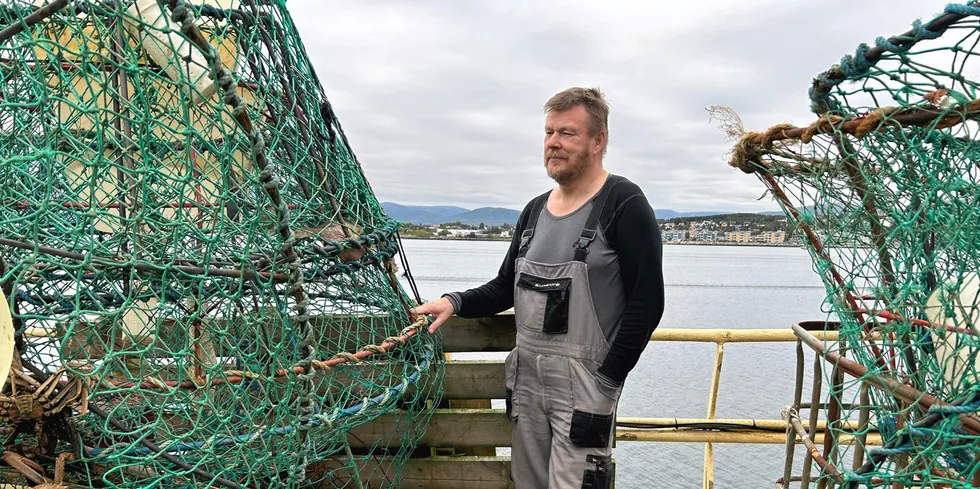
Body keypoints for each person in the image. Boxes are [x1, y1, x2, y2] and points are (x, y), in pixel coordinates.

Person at [413, 86, 665, 489]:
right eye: (548, 133)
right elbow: (504, 287)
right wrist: (453, 302)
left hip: (585, 388)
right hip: (528, 383)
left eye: (567, 133)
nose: (553, 143)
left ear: (598, 141)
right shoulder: (533, 212)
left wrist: (607, 380)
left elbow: (648, 302)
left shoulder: (623, 203)